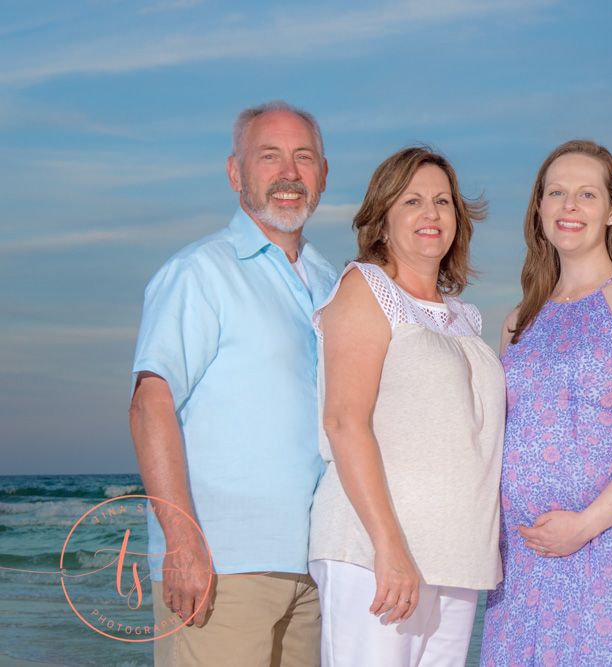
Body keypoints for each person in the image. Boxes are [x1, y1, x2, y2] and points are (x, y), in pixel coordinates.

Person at [129, 101, 336, 666]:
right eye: (269, 157)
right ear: (235, 173)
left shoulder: (335, 284)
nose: (289, 173)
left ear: (324, 174)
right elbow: (151, 404)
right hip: (222, 564)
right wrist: (183, 542)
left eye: (304, 158)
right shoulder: (200, 272)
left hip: (317, 568)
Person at [480, 140, 612, 665]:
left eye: (586, 194)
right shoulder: (516, 322)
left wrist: (585, 524)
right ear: (539, 208)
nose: (569, 206)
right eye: (556, 192)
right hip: (525, 557)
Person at [307, 146, 504, 666]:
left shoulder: (466, 316)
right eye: (412, 200)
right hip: (377, 550)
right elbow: (343, 422)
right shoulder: (364, 288)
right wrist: (388, 548)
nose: (431, 213)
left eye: (442, 201)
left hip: (457, 558)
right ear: (383, 218)